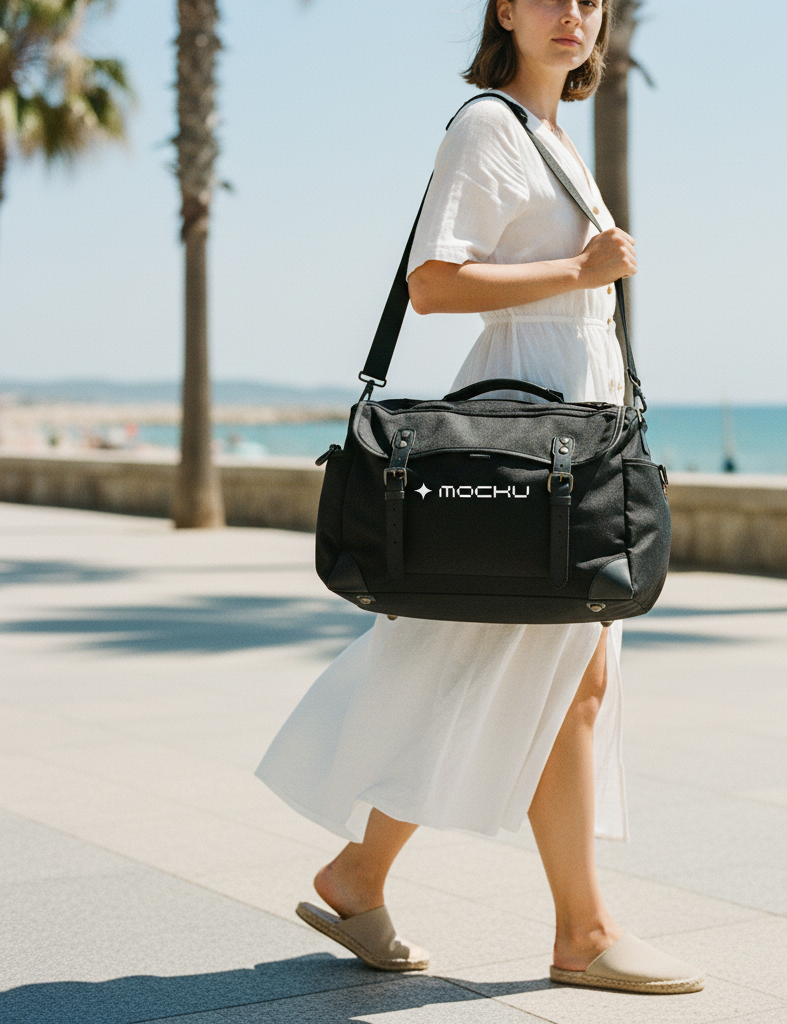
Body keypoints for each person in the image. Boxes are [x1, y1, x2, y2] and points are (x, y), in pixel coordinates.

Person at [256, 0, 704, 996]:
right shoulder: (487, 125)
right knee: (507, 667)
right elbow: (433, 282)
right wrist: (583, 267)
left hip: (566, 438)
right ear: (504, 5)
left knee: (541, 675)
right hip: (527, 442)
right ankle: (574, 930)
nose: (574, 14)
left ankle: (362, 875)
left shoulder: (547, 138)